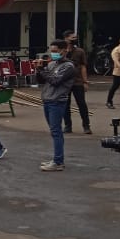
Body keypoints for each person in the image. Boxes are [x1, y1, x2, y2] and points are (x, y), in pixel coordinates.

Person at [35, 40, 77, 172]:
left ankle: (58, 161)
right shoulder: (52, 63)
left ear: (64, 50)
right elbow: (43, 80)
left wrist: (43, 70)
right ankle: (57, 159)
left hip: (57, 101)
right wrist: (39, 69)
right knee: (54, 131)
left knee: (56, 131)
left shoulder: (69, 66)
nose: (53, 54)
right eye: (51, 51)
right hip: (47, 99)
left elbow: (55, 81)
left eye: (55, 51)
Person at [61, 31, 91, 134]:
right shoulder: (61, 51)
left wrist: (85, 81)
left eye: (75, 37)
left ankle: (86, 125)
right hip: (64, 82)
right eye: (72, 37)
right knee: (65, 105)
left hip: (77, 82)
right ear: (66, 38)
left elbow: (83, 66)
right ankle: (68, 126)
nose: (74, 39)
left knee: (82, 104)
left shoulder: (80, 51)